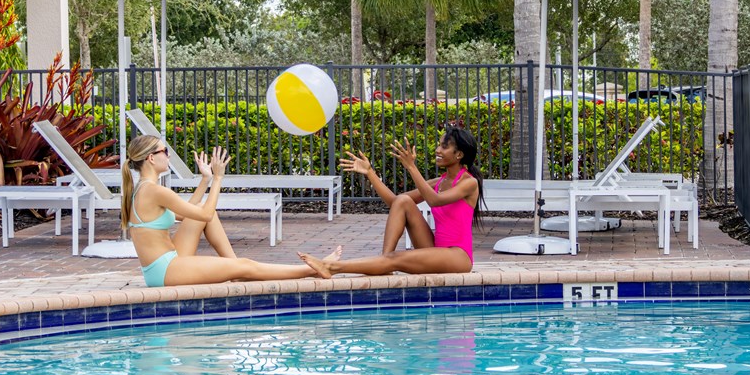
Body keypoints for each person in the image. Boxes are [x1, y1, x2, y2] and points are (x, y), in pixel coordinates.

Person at [121, 135, 338, 287]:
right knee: (245, 264)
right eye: (165, 151)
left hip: (165, 262)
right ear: (151, 158)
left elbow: (189, 213)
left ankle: (235, 270)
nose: (168, 156)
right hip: (165, 270)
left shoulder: (143, 188)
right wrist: (217, 178)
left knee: (206, 214)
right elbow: (203, 214)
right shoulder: (155, 190)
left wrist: (205, 178)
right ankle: (313, 269)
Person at [299, 126, 484, 277]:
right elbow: (395, 202)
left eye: (444, 147)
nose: (437, 150)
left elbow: (435, 201)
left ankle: (332, 267)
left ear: (458, 155)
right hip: (435, 248)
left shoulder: (469, 183)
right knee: (403, 201)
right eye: (439, 145)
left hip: (458, 255)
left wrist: (411, 167)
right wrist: (370, 173)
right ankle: (384, 262)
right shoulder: (439, 182)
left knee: (396, 258)